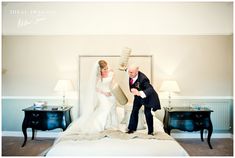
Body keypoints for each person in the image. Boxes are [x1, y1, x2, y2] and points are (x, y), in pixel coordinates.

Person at [66, 60, 119, 134]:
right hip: (102, 94)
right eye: (104, 69)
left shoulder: (110, 73)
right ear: (100, 70)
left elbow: (112, 83)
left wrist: (111, 89)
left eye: (107, 68)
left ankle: (113, 125)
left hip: (110, 93)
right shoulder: (98, 77)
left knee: (112, 109)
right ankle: (101, 126)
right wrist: (104, 93)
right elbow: (95, 88)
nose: (106, 70)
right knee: (105, 108)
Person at [126, 64, 161, 135]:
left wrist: (138, 92)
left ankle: (150, 132)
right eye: (129, 72)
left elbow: (150, 89)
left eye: (131, 72)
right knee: (134, 111)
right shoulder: (130, 73)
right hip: (138, 97)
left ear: (137, 71)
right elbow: (126, 70)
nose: (130, 74)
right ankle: (131, 129)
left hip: (148, 97)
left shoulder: (143, 79)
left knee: (147, 113)